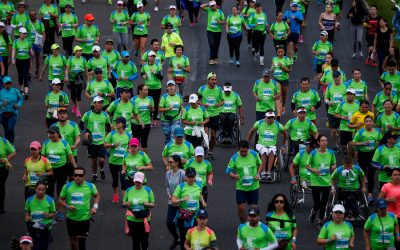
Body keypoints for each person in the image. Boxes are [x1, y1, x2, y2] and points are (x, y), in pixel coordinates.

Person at [58, 167, 100, 250]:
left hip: (84, 219)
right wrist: (67, 206)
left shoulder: (90, 186)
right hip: (71, 219)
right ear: (73, 176)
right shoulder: (67, 186)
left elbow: (97, 196)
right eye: (75, 175)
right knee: (73, 243)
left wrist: (95, 207)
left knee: (82, 244)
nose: (77, 177)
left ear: (84, 176)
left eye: (80, 175)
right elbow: (60, 200)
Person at [226, 140, 261, 223]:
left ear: (248, 149)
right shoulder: (234, 157)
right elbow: (228, 171)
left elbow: (260, 164)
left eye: (245, 151)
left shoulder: (254, 154)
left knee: (254, 208)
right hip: (241, 187)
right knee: (241, 208)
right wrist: (234, 176)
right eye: (242, 152)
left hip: (253, 186)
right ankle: (244, 224)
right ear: (238, 149)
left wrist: (258, 174)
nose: (244, 153)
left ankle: (253, 224)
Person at [172, 167, 206, 250]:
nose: (191, 179)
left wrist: (203, 201)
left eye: (192, 177)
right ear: (185, 177)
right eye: (189, 177)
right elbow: (173, 201)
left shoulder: (199, 185)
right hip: (184, 217)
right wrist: (182, 199)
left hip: (195, 216)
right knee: (184, 238)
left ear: (195, 177)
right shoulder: (180, 186)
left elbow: (199, 194)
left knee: (194, 237)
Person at [306, 135, 336, 226]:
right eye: (322, 141)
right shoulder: (313, 153)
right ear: (318, 143)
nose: (324, 143)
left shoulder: (331, 152)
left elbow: (334, 163)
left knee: (324, 203)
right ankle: (314, 211)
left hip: (326, 181)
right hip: (316, 181)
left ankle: (320, 220)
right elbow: (307, 165)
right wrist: (315, 171)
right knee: (317, 203)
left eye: (326, 141)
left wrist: (333, 167)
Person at [248, 110, 286, 181]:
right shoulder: (259, 123)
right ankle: (263, 171)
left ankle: (268, 172)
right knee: (264, 150)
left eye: (272, 117)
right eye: (269, 118)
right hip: (261, 145)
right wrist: (248, 142)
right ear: (265, 117)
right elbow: (251, 131)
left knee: (271, 151)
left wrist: (283, 144)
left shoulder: (277, 125)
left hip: (272, 145)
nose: (271, 119)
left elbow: (285, 133)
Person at [80, 96, 112, 182]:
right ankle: (94, 174)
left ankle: (101, 169)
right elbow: (81, 124)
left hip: (101, 142)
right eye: (98, 102)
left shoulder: (105, 115)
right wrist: (85, 132)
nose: (100, 104)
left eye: (101, 102)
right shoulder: (88, 114)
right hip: (92, 142)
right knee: (93, 160)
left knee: (101, 160)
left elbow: (108, 127)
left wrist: (107, 137)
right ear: (94, 104)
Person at [42, 125, 77, 201]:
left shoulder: (64, 143)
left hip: (62, 169)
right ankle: (50, 206)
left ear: (58, 133)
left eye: (53, 133)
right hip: (50, 170)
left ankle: (60, 207)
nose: (51, 135)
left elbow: (70, 156)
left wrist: (75, 167)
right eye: (49, 133)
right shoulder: (46, 143)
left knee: (60, 188)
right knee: (49, 189)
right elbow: (43, 157)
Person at [123, 171, 155, 250]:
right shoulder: (128, 190)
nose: (137, 183)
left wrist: (147, 204)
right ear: (133, 180)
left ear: (143, 181)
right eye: (136, 181)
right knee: (135, 241)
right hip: (132, 219)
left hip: (144, 219)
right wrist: (127, 203)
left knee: (144, 241)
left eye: (139, 182)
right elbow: (124, 203)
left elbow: (153, 204)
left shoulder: (148, 190)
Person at [352, 115, 381, 202]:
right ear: (364, 123)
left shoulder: (377, 132)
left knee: (371, 175)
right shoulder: (360, 132)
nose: (368, 123)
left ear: (372, 123)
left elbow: (379, 142)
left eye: (370, 121)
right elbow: (353, 143)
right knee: (362, 174)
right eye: (367, 121)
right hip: (362, 155)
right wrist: (363, 143)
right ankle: (360, 194)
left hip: (373, 155)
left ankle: (370, 195)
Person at [104, 117, 131, 203]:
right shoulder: (111, 134)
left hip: (123, 162)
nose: (116, 123)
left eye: (118, 122)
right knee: (115, 180)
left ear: (123, 124)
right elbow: (104, 144)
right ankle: (115, 194)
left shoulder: (128, 135)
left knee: (123, 180)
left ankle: (124, 199)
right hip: (113, 161)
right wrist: (113, 144)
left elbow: (131, 146)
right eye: (116, 122)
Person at [198, 72, 224, 159]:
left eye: (215, 79)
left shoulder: (219, 89)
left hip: (215, 114)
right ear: (208, 80)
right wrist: (202, 105)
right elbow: (198, 100)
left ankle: (210, 152)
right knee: (205, 134)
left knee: (213, 136)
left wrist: (219, 104)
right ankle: (204, 147)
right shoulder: (202, 89)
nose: (214, 81)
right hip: (205, 114)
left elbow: (223, 101)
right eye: (212, 79)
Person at [24, 181, 55, 250]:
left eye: (43, 190)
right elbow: (27, 210)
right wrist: (27, 216)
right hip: (34, 225)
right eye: (39, 189)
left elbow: (54, 213)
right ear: (35, 189)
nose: (41, 192)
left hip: (46, 226)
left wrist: (49, 215)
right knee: (35, 246)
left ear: (45, 190)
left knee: (44, 246)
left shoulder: (50, 200)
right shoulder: (29, 200)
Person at [165, 154, 185, 249]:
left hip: (181, 202)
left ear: (177, 163)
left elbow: (185, 187)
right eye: (168, 162)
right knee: (169, 222)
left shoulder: (182, 173)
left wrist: (179, 197)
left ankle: (182, 242)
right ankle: (176, 238)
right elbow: (167, 186)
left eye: (170, 162)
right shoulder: (168, 173)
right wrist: (169, 194)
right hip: (171, 201)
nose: (168, 163)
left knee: (181, 225)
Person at [325, 70, 347, 151]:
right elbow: (326, 97)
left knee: (342, 130)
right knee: (334, 131)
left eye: (337, 77)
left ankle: (343, 143)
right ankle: (335, 145)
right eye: (334, 77)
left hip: (342, 111)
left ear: (340, 77)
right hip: (332, 112)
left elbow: (350, 96)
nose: (335, 79)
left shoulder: (346, 85)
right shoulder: (330, 86)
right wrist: (328, 102)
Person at [53, 107, 81, 172]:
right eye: (60, 114)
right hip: (59, 154)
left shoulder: (73, 125)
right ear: (57, 115)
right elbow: (51, 140)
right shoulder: (53, 126)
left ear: (67, 115)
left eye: (64, 113)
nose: (62, 115)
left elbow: (78, 138)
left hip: (71, 153)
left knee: (72, 174)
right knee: (61, 176)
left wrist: (75, 145)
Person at [334, 88, 360, 155]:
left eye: (351, 94)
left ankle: (350, 156)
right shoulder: (342, 104)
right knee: (343, 145)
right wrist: (342, 117)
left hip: (354, 128)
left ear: (354, 95)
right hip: (344, 127)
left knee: (352, 144)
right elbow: (335, 114)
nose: (349, 96)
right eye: (347, 94)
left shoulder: (358, 104)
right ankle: (345, 150)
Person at [378, 168, 400, 249]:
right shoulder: (386, 186)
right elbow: (379, 200)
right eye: (394, 175)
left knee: (398, 241)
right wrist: (388, 199)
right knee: (387, 242)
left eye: (398, 175)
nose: (397, 177)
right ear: (391, 176)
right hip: (389, 218)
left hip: (399, 217)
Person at [65, 45, 88, 118]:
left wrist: (87, 80)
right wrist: (66, 76)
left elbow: (86, 70)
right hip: (72, 79)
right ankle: (75, 105)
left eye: (81, 51)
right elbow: (67, 69)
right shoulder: (71, 59)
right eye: (79, 51)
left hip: (80, 79)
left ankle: (78, 110)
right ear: (75, 52)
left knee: (78, 95)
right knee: (72, 96)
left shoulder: (83, 59)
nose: (80, 52)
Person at [141, 51, 162, 127]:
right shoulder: (144, 66)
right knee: (148, 104)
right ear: (148, 57)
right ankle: (149, 118)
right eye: (151, 56)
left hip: (157, 87)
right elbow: (142, 73)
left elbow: (161, 77)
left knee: (155, 104)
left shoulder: (158, 65)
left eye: (153, 56)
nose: (152, 58)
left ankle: (155, 119)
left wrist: (155, 72)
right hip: (148, 88)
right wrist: (143, 76)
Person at [201, 1, 225, 65]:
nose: (212, 7)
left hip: (218, 31)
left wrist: (220, 22)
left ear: (216, 5)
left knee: (216, 46)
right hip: (210, 31)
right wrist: (208, 4)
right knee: (211, 44)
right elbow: (201, 6)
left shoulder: (220, 12)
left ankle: (215, 57)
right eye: (211, 6)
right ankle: (211, 59)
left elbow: (223, 22)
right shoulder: (209, 10)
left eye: (213, 5)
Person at [0, 76, 23, 144]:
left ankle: (11, 143)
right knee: (6, 129)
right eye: (6, 83)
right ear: (3, 84)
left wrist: (18, 105)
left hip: (13, 113)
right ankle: (7, 144)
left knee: (10, 128)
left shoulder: (15, 91)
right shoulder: (1, 92)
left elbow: (20, 99)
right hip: (3, 113)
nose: (8, 85)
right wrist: (2, 103)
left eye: (10, 83)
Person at [131, 84, 154, 152]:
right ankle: (136, 159)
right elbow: (131, 113)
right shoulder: (134, 99)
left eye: (147, 90)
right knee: (136, 142)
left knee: (144, 142)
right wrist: (139, 120)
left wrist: (150, 108)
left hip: (146, 123)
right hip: (135, 124)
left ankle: (144, 160)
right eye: (145, 90)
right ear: (140, 91)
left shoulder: (150, 98)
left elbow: (153, 110)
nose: (147, 91)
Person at [11, 27, 32, 99]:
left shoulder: (28, 41)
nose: (24, 35)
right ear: (19, 33)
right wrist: (12, 59)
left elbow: (30, 50)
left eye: (25, 34)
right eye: (23, 33)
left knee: (25, 76)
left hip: (26, 60)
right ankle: (21, 90)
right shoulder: (16, 41)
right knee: (20, 75)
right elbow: (13, 50)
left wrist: (32, 53)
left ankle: (26, 92)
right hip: (19, 60)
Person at [271, 46, 291, 114]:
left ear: (284, 52)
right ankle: (279, 112)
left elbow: (289, 71)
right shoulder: (274, 59)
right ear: (277, 52)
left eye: (281, 52)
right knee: (279, 95)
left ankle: (283, 106)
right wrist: (269, 70)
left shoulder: (287, 59)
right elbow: (272, 67)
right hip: (277, 79)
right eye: (279, 52)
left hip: (285, 79)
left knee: (284, 95)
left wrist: (282, 66)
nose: (280, 53)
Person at [27, 10, 45, 79]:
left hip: (38, 43)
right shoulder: (26, 23)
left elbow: (43, 33)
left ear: (35, 15)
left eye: (33, 14)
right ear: (29, 15)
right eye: (31, 15)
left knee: (37, 59)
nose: (32, 16)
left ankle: (37, 70)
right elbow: (24, 33)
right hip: (30, 43)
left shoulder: (40, 23)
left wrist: (42, 42)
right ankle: (29, 72)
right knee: (31, 57)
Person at [0, 133, 14, 214]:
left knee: (1, 187)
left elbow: (13, 152)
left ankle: (1, 206)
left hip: (2, 169)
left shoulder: (4, 141)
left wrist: (5, 159)